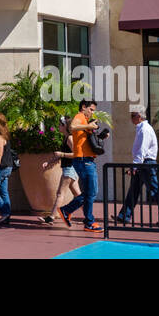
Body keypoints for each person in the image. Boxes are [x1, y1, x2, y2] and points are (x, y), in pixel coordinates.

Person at [114, 108, 159, 227]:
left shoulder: (144, 130)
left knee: (154, 191)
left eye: (133, 115)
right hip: (143, 164)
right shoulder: (142, 129)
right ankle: (124, 216)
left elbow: (142, 149)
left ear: (139, 117)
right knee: (134, 190)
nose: (131, 118)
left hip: (146, 164)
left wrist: (135, 166)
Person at [57, 99, 103, 232]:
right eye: (91, 110)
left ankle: (73, 214)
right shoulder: (79, 116)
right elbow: (71, 127)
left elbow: (84, 140)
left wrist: (100, 137)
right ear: (84, 107)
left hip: (87, 160)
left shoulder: (84, 120)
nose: (92, 113)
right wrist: (88, 127)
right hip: (83, 160)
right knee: (91, 192)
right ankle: (87, 221)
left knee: (90, 193)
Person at [40, 116, 81, 224]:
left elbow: (76, 154)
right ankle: (89, 218)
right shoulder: (66, 137)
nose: (58, 126)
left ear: (65, 126)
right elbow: (60, 156)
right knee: (78, 195)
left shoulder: (70, 138)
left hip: (69, 169)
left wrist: (62, 154)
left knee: (60, 194)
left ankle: (51, 217)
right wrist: (49, 162)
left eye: (60, 125)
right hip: (70, 169)